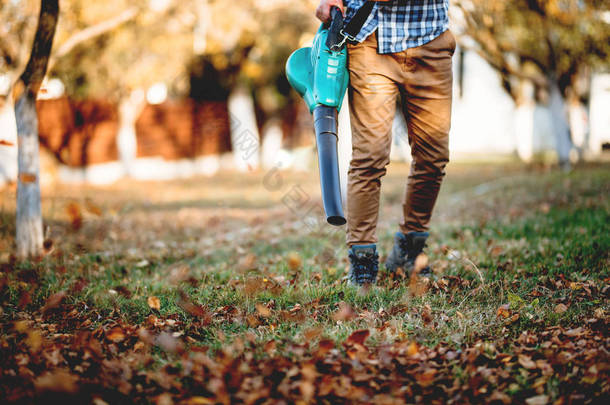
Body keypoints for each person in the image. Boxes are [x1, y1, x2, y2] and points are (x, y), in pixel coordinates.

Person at [315, 0, 456, 285]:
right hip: (369, 38)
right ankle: (362, 260)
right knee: (370, 156)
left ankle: (408, 250)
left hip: (429, 38)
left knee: (433, 157)